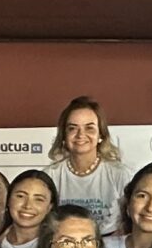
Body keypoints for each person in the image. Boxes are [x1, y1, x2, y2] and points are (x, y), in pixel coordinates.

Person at [45, 96, 127, 227]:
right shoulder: (50, 176)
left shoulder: (120, 174)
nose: (80, 135)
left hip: (110, 244)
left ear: (101, 134)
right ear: (64, 135)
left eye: (89, 128)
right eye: (72, 128)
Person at [0, 170, 54, 248]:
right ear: (8, 200)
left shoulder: (56, 246)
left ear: (49, 207)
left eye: (38, 199)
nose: (28, 206)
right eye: (20, 196)